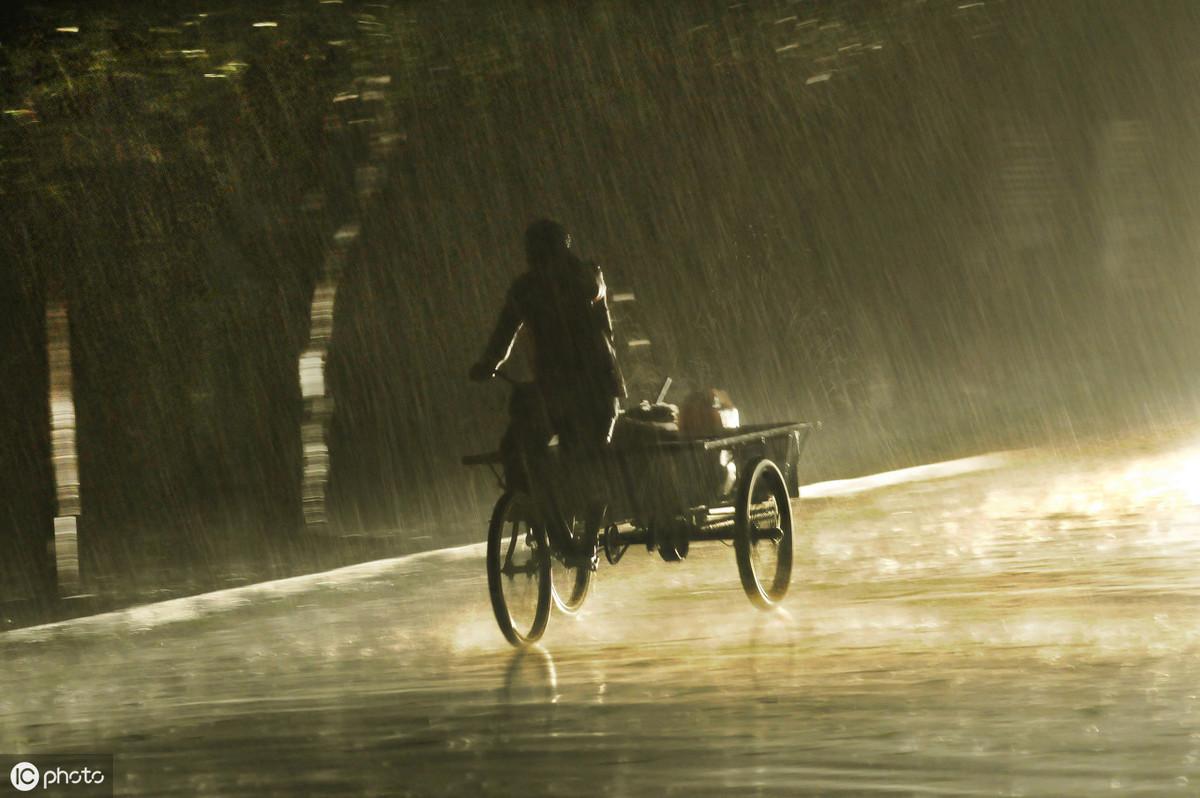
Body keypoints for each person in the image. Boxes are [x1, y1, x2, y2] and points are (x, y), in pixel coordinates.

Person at [470, 219, 625, 501]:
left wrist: (490, 363)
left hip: (595, 386)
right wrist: (489, 364)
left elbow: (592, 289)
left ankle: (587, 526)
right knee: (518, 444)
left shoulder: (583, 279)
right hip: (554, 387)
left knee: (584, 456)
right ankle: (542, 503)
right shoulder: (527, 289)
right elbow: (505, 330)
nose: (536, 259)